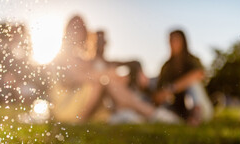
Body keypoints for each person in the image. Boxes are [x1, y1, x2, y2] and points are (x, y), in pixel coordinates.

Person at [50, 15, 179, 124]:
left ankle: (131, 113)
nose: (79, 33)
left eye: (81, 29)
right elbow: (77, 77)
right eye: (75, 29)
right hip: (67, 109)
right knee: (102, 80)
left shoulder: (84, 59)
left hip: (86, 106)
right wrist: (108, 74)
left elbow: (106, 70)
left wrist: (121, 74)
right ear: (68, 31)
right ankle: (153, 114)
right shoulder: (62, 57)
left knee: (107, 80)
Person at [154, 30, 213, 125]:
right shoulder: (167, 66)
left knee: (193, 83)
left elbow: (198, 74)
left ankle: (195, 116)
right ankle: (185, 119)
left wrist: (172, 88)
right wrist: (162, 95)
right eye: (170, 40)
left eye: (176, 40)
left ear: (183, 42)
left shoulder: (192, 59)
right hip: (179, 111)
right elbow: (157, 95)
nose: (172, 43)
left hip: (202, 110)